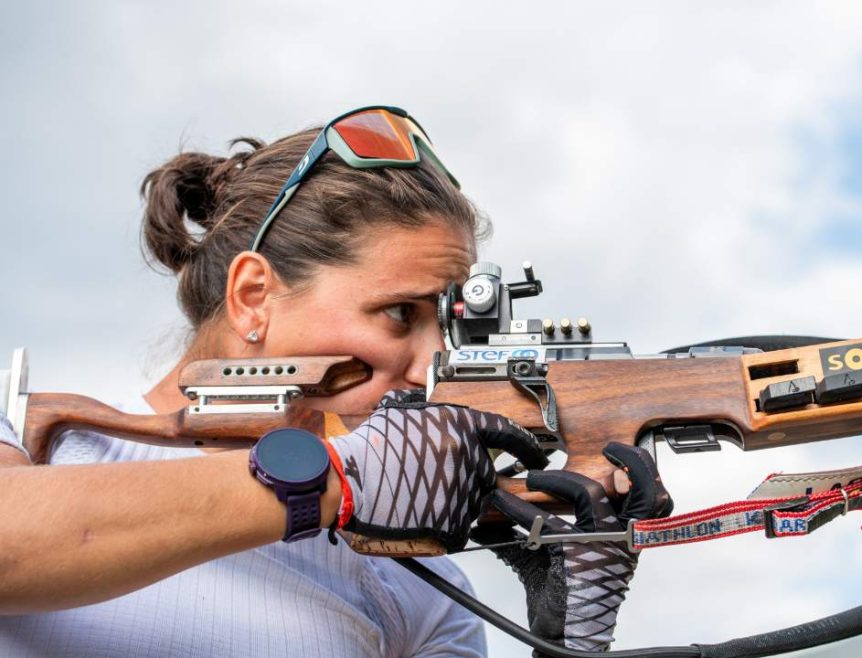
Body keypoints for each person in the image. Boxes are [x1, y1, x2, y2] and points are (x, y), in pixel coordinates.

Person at [0, 106, 670, 657]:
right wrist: (334, 480)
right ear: (255, 296)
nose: (428, 365)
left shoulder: (415, 585)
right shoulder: (27, 433)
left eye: (447, 327)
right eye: (400, 314)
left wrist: (570, 644)